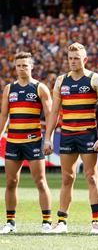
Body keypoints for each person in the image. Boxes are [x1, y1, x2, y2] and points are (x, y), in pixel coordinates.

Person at [43, 42, 98, 234]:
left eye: (77, 58)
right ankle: (62, 221)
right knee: (67, 178)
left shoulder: (96, 79)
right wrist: (47, 138)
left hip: (88, 134)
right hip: (67, 134)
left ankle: (96, 221)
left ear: (85, 60)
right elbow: (54, 112)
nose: (73, 61)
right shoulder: (60, 81)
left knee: (91, 176)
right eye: (70, 58)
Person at [0, 52, 54, 234]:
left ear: (32, 67)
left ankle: (47, 221)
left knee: (40, 181)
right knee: (10, 182)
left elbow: (50, 115)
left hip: (34, 141)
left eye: (25, 65)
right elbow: (3, 115)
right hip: (13, 141)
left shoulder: (40, 88)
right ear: (15, 67)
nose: (22, 68)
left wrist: (49, 138)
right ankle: (10, 222)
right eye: (19, 65)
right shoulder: (9, 89)